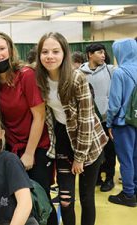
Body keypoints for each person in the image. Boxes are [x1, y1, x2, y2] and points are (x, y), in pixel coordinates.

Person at [0, 31, 58, 225]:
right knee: (16, 202)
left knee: (40, 198)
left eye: (2, 49)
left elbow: (39, 117)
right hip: (10, 150)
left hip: (35, 147)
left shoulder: (25, 75)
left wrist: (29, 153)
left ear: (10, 50)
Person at [36, 32, 108, 225]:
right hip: (63, 139)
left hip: (88, 142)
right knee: (66, 200)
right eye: (45, 52)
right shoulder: (39, 78)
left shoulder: (77, 78)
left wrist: (80, 157)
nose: (50, 56)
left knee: (86, 197)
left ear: (64, 53)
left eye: (55, 51)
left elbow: (86, 119)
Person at [79, 43, 116, 192]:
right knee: (94, 151)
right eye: (99, 52)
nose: (103, 55)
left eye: (104, 52)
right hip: (89, 120)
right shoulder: (80, 72)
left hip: (107, 119)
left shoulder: (110, 70)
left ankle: (109, 178)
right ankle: (97, 179)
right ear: (89, 54)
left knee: (109, 151)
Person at [107, 38, 137, 207]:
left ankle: (128, 194)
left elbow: (115, 104)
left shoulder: (120, 72)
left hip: (123, 123)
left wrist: (109, 123)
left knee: (126, 160)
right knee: (136, 157)